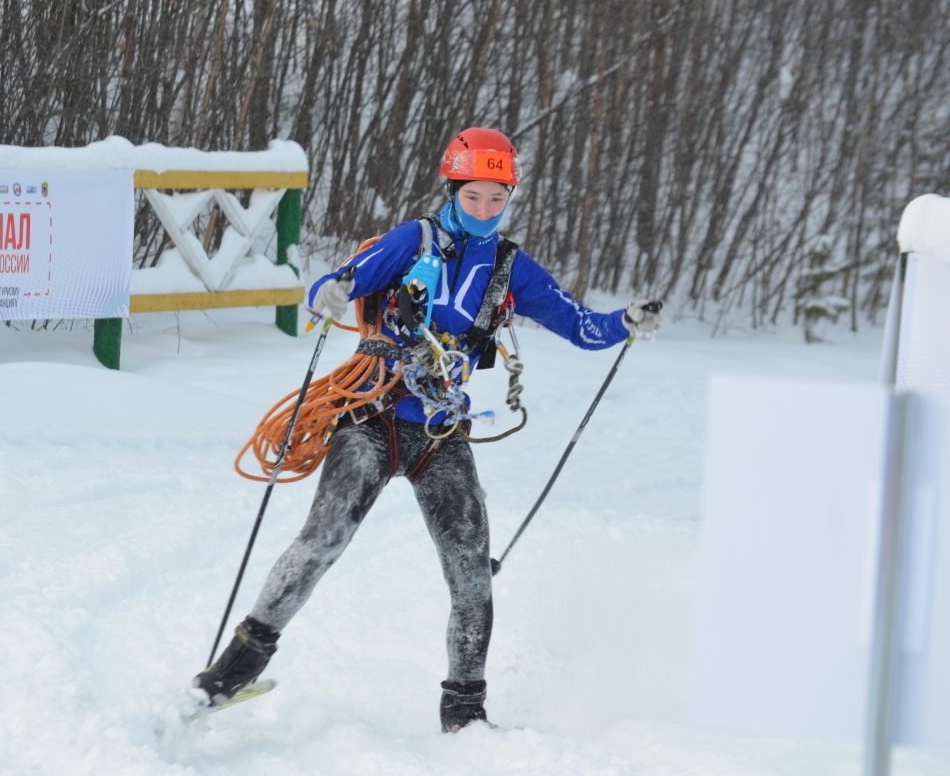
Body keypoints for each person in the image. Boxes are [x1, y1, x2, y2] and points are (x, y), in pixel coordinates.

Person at [193, 127, 661, 732]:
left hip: (440, 433)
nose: (486, 211)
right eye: (474, 198)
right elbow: (332, 285)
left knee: (471, 574)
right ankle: (230, 675)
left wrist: (625, 321)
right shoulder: (412, 240)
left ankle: (463, 713)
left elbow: (581, 328)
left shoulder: (511, 267)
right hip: (371, 415)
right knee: (323, 541)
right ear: (453, 189)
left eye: (498, 198)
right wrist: (331, 293)